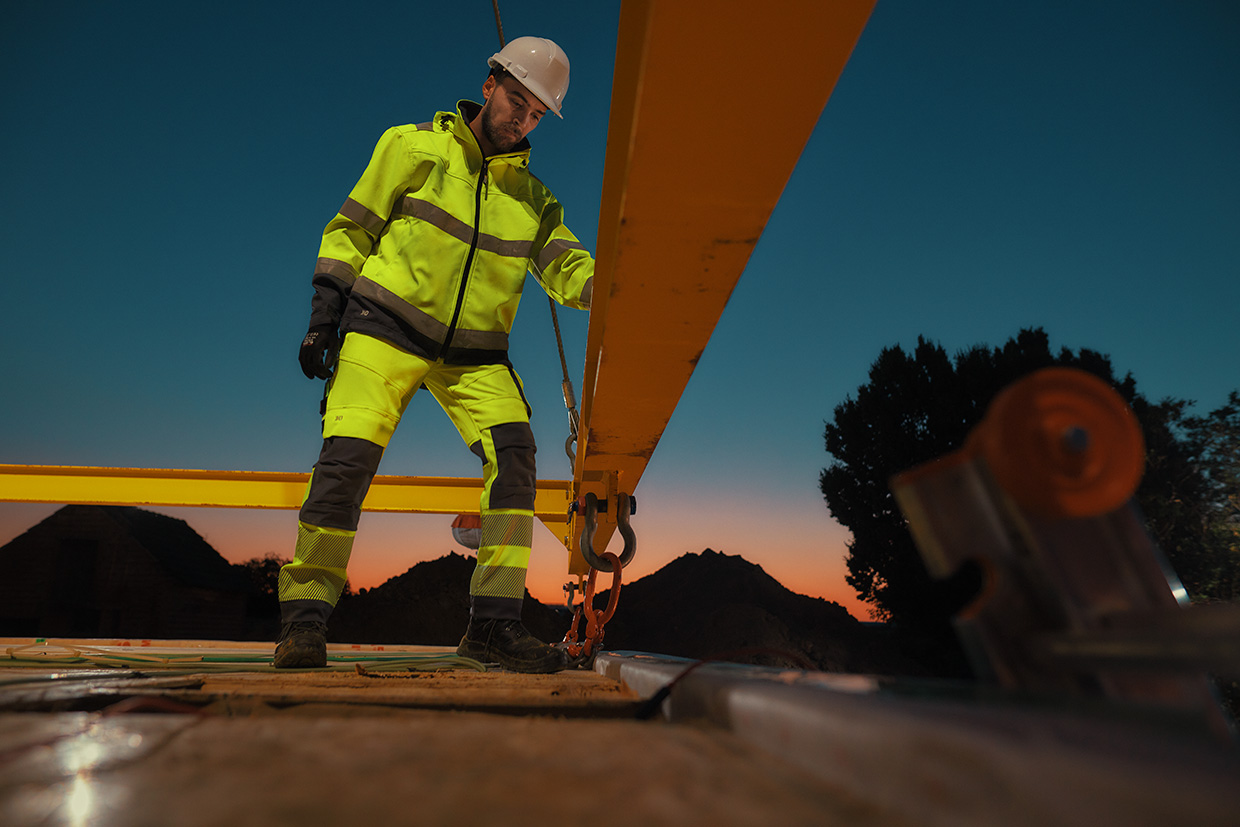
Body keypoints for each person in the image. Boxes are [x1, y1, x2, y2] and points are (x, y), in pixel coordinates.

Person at [274, 37, 593, 673]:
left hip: (476, 355)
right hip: (382, 326)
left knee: (516, 458)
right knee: (348, 458)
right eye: (517, 101)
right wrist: (323, 319)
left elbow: (569, 271)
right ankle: (304, 623)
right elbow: (350, 230)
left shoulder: (534, 200)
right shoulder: (410, 146)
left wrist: (619, 284)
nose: (522, 120)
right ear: (489, 85)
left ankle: (492, 626)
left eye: (536, 114)